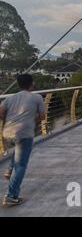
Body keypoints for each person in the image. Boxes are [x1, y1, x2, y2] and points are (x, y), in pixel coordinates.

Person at [0, 74, 46, 206]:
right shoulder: (37, 97)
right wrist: (31, 120)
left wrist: (9, 120)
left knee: (18, 150)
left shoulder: (10, 98)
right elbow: (42, 116)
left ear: (19, 84)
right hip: (24, 134)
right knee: (21, 166)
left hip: (7, 133)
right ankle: (11, 195)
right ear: (32, 84)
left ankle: (9, 169)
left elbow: (1, 112)